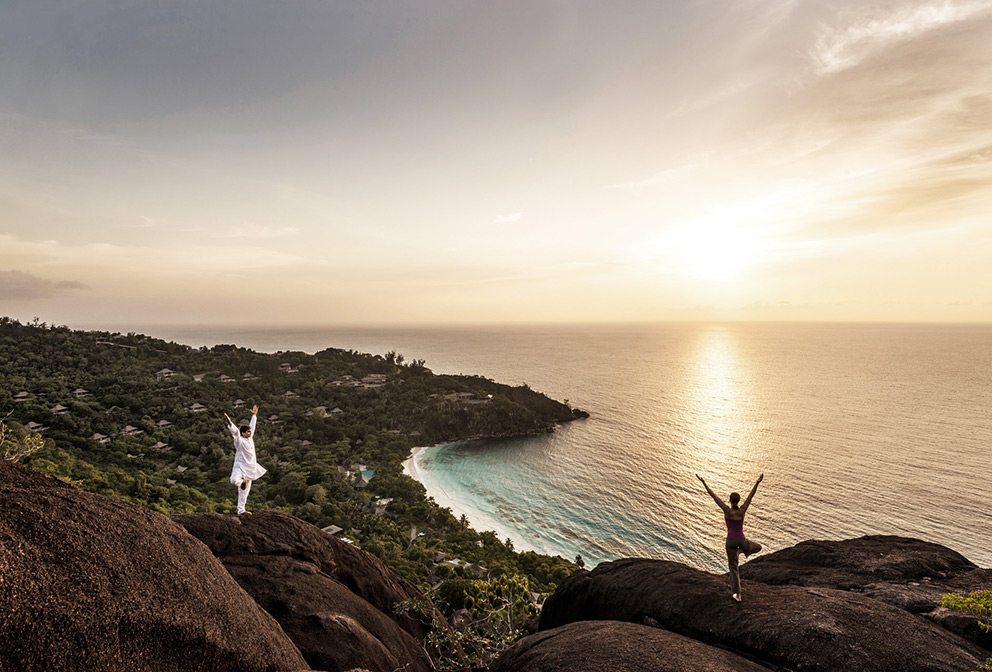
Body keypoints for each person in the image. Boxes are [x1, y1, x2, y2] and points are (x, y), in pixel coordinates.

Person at [696, 473, 764, 603]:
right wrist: (757, 482)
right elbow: (751, 496)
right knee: (758, 547)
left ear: (730, 500)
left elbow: (714, 496)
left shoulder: (727, 511)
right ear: (738, 500)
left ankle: (737, 595)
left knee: (733, 569)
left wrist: (704, 482)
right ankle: (743, 551)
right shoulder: (742, 510)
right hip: (742, 540)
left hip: (731, 542)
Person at [224, 404, 267, 516]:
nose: (250, 432)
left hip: (250, 468)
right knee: (233, 481)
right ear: (243, 433)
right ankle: (242, 481)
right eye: (248, 432)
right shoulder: (239, 441)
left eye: (250, 431)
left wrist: (254, 415)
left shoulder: (250, 438)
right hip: (240, 466)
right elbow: (235, 433)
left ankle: (241, 510)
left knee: (244, 493)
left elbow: (252, 426)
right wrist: (230, 422)